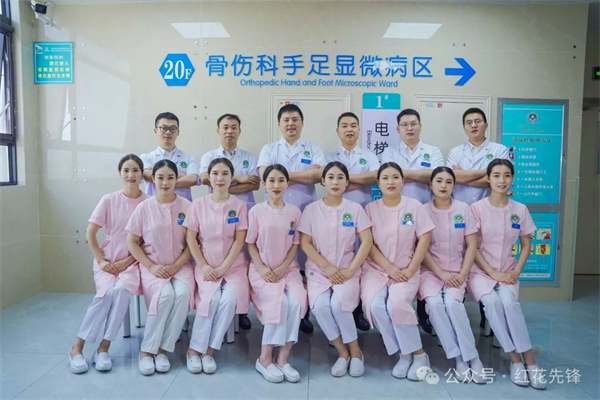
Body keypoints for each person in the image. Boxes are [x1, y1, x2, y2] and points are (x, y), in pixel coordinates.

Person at [468, 159, 546, 390]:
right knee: (492, 303)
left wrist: (516, 272)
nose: (502, 180)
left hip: (508, 270)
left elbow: (526, 245)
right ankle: (516, 361)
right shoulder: (476, 209)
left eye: (506, 175)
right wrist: (491, 271)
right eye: (496, 175)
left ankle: (531, 362)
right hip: (480, 271)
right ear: (488, 178)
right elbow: (472, 248)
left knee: (510, 304)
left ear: (512, 178)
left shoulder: (519, 209)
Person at [69, 154, 149, 374]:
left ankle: (103, 348)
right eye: (126, 170)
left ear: (142, 174)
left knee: (121, 291)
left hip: (133, 263)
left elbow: (146, 241)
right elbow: (90, 233)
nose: (131, 175)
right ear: (120, 173)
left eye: (135, 170)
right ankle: (77, 347)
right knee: (105, 294)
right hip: (107, 261)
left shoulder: (148, 203)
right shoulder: (109, 200)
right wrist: (102, 260)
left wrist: (127, 261)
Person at [298, 162, 373, 377]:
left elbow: (366, 241)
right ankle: (343, 352)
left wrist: (351, 269)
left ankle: (356, 352)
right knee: (321, 306)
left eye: (340, 177)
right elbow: (305, 243)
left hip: (348, 269)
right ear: (322, 181)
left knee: (339, 305)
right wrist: (327, 267)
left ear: (347, 182)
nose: (335, 182)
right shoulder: (312, 209)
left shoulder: (354, 209)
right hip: (319, 271)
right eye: (330, 177)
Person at [360, 162, 433, 381]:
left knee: (397, 305)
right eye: (385, 178)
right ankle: (404, 353)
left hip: (406, 268)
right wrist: (388, 267)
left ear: (403, 181)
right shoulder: (370, 209)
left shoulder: (414, 206)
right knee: (375, 306)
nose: (390, 182)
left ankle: (419, 355)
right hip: (377, 269)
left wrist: (411, 269)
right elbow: (369, 245)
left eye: (395, 177)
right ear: (378, 183)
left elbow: (424, 239)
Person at [257, 104, 326, 334]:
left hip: (305, 211)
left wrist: (281, 175)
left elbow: (319, 175)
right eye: (286, 120)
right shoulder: (269, 149)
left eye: (295, 119)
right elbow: (264, 175)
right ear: (279, 124)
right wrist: (304, 175)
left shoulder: (313, 148)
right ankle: (277, 307)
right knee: (279, 257)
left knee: (304, 260)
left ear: (302, 123)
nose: (291, 124)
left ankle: (302, 312)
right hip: (274, 214)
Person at [126, 159, 195, 376]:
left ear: (176, 180)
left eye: (170, 178)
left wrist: (177, 265)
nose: (165, 183)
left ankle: (162, 349)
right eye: (160, 178)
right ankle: (146, 351)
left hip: (181, 265)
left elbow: (193, 244)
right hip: (152, 266)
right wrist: (151, 266)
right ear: (153, 180)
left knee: (182, 294)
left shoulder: (187, 207)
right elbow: (132, 242)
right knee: (164, 296)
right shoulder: (144, 208)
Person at [419, 166, 486, 383]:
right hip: (430, 271)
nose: (444, 185)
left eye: (449, 182)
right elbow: (422, 249)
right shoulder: (423, 211)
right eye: (439, 181)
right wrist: (440, 273)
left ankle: (473, 357)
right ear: (431, 185)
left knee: (453, 304)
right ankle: (458, 357)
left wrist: (463, 273)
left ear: (454, 185)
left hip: (458, 270)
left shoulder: (463, 209)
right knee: (434, 305)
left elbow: (472, 245)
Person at [184, 158, 250, 375]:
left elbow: (239, 241)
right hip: (206, 264)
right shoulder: (198, 205)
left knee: (229, 299)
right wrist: (203, 265)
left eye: (225, 174)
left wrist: (224, 268)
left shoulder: (239, 206)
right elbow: (191, 238)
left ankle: (208, 351)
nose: (220, 178)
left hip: (234, 266)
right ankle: (194, 350)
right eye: (215, 174)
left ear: (232, 178)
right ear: (209, 178)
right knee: (210, 300)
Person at [381, 108, 443, 334]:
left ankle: (424, 314)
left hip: (427, 212)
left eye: (413, 123)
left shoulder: (432, 151)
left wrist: (404, 173)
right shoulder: (389, 152)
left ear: (420, 126)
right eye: (405, 124)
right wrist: (419, 174)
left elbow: (435, 176)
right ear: (398, 129)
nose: (409, 128)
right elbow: (389, 176)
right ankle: (398, 307)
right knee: (402, 260)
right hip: (396, 215)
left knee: (425, 261)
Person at [248, 164, 308, 383]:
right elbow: (250, 243)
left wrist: (284, 267)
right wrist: (262, 268)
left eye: (281, 180)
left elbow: (296, 243)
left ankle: (283, 358)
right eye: (271, 180)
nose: (276, 185)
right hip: (261, 269)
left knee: (297, 301)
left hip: (288, 268)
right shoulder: (256, 211)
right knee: (278, 302)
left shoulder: (294, 212)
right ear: (264, 184)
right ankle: (264, 359)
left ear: (288, 183)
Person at [199, 113, 259, 330]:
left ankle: (241, 311)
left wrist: (224, 186)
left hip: (244, 214)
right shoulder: (209, 156)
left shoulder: (249, 157)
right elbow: (205, 179)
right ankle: (220, 303)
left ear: (239, 131)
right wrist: (239, 179)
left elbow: (254, 185)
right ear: (218, 131)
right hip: (215, 216)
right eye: (225, 127)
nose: (229, 131)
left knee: (242, 261)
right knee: (220, 254)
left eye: (234, 127)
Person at [326, 112, 380, 333]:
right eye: (344, 126)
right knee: (340, 259)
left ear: (359, 130)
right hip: (335, 216)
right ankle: (337, 308)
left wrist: (344, 180)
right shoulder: (329, 157)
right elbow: (327, 180)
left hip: (363, 212)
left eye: (353, 125)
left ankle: (358, 312)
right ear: (337, 131)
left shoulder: (369, 156)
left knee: (360, 261)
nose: (349, 129)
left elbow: (374, 177)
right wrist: (360, 180)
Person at [446, 108, 509, 205]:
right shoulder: (455, 152)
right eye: (469, 123)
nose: (473, 125)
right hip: (460, 208)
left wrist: (462, 177)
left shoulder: (500, 150)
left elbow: (498, 181)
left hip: (490, 207)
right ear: (464, 128)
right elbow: (451, 178)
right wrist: (488, 172)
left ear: (486, 125)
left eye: (477, 121)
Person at [140, 112, 199, 202]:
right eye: (163, 128)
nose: (168, 132)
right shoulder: (146, 158)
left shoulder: (188, 157)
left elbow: (192, 179)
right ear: (155, 131)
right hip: (154, 207)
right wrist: (181, 176)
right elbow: (147, 176)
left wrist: (159, 177)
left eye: (172, 129)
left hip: (183, 208)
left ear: (178, 132)